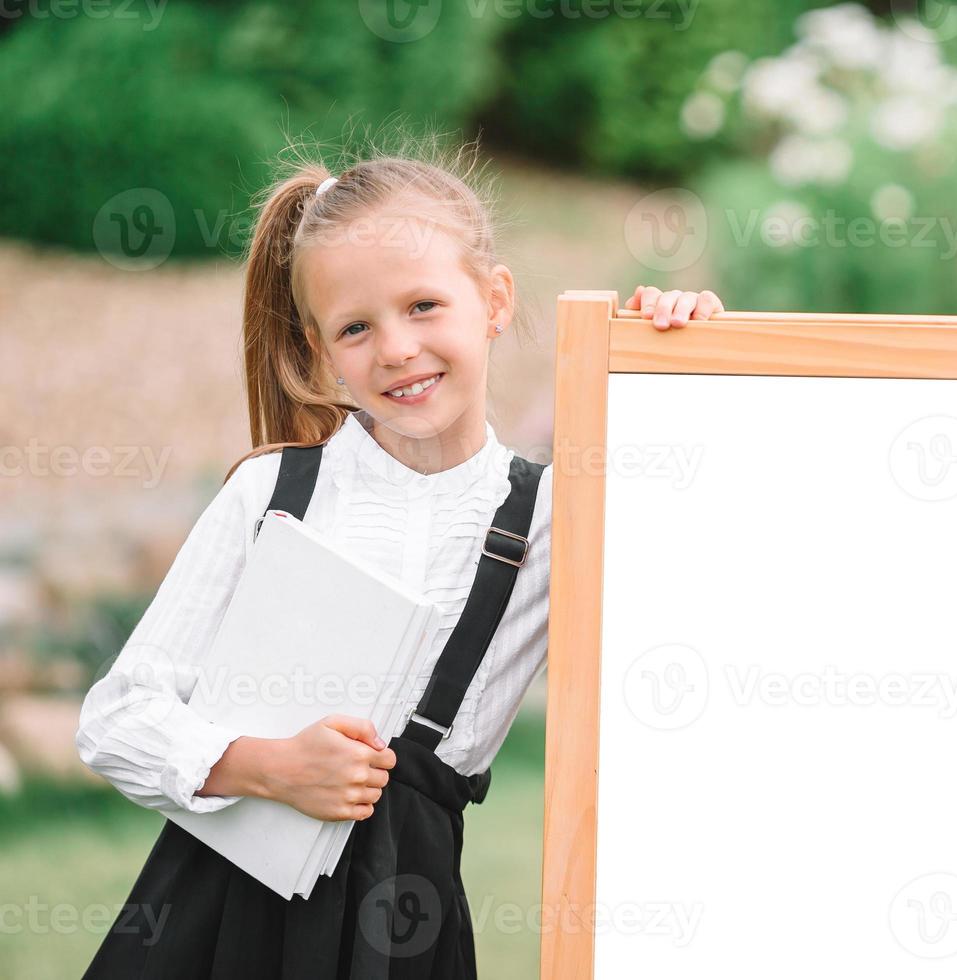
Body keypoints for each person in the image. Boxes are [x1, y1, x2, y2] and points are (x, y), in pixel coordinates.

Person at [74, 141, 726, 978]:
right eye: (356, 327)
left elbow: (711, 555)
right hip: (220, 918)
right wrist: (270, 766)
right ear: (318, 349)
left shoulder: (566, 511)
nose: (395, 349)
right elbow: (117, 716)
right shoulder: (273, 494)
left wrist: (682, 363)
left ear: (493, 300)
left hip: (403, 929)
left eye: (423, 305)